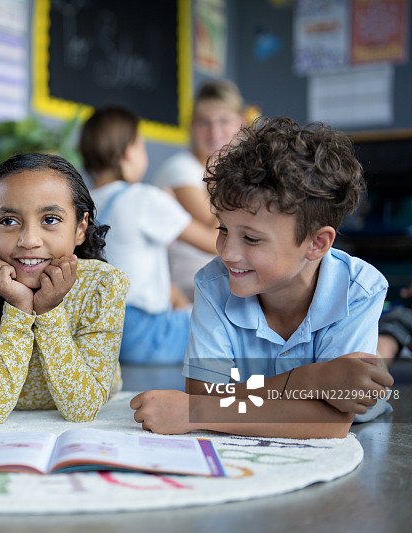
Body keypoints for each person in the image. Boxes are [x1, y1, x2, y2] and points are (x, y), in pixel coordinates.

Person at [130, 117, 395, 439]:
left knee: (379, 364)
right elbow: (206, 394)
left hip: (363, 427)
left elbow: (331, 421)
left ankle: (394, 334)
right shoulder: (214, 284)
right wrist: (309, 381)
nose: (227, 253)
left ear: (317, 243)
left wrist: (199, 412)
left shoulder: (359, 289)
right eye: (223, 229)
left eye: (252, 239)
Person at [0, 153, 130, 424]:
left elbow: (83, 409)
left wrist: (48, 311)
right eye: (9, 221)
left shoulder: (103, 286)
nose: (29, 240)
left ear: (80, 227)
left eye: (50, 219)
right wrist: (18, 309)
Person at [79, 106, 217, 364]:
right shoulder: (144, 198)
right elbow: (215, 244)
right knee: (222, 327)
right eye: (142, 146)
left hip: (96, 334)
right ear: (129, 152)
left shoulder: (82, 204)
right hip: (144, 335)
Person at [152, 80, 247, 301]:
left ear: (241, 123)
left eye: (224, 121)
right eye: (204, 122)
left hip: (221, 280)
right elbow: (219, 233)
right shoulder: (180, 169)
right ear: (192, 126)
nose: (214, 131)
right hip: (187, 287)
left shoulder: (233, 172)